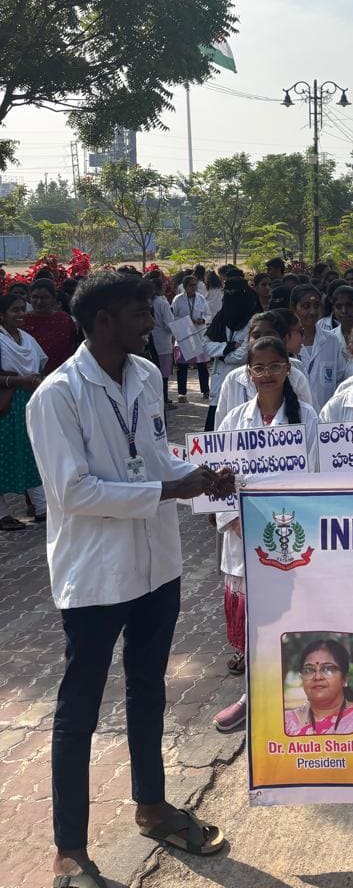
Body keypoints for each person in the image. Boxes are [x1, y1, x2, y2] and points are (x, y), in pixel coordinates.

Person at [24, 272, 234, 881]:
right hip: (97, 574)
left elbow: (154, 456)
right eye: (139, 312)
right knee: (80, 709)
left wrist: (200, 478)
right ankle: (69, 849)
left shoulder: (144, 375)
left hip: (157, 566)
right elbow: (73, 491)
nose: (151, 321)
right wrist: (170, 489)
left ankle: (151, 805)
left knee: (148, 687)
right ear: (102, 320)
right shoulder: (57, 396)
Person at [215, 336, 321, 731]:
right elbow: (217, 479)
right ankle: (251, 697)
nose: (267, 374)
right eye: (258, 367)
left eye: (275, 366)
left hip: (293, 538)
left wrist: (290, 523)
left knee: (295, 621)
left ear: (288, 369)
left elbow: (317, 478)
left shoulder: (306, 418)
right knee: (255, 626)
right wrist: (234, 519)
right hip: (242, 536)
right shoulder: (233, 420)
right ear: (248, 373)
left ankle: (298, 698)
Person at [215, 310, 314, 426]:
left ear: (283, 340)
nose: (262, 340)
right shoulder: (232, 379)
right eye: (256, 336)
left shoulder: (297, 379)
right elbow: (220, 430)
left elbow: (309, 424)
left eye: (269, 335)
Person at [0, 292, 48, 530]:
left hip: (29, 401)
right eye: (15, 310)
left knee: (32, 452)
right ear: (2, 315)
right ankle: (2, 515)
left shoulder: (26, 338)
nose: (21, 314)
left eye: (22, 309)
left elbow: (39, 365)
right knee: (3, 455)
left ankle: (42, 508)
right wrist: (19, 381)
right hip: (6, 405)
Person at [203, 278, 260, 431]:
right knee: (215, 432)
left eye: (233, 294)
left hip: (244, 382)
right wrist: (229, 347)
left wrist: (222, 355)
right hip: (219, 381)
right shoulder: (220, 319)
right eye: (226, 294)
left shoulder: (253, 321)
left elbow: (244, 354)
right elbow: (206, 345)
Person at [284, 637, 353, 736]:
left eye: (328, 669)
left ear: (345, 679)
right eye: (309, 670)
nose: (317, 677)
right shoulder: (286, 722)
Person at [291, 283, 346, 410]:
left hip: (326, 414)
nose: (312, 311)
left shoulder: (332, 340)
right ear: (294, 308)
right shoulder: (286, 343)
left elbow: (340, 379)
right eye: (305, 306)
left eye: (316, 306)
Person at [22, 279, 79, 374]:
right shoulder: (22, 321)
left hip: (62, 373)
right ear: (29, 298)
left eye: (45, 297)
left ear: (54, 299)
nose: (39, 302)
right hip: (30, 375)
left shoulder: (64, 319)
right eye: (35, 297)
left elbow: (73, 346)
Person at [171, 273, 209, 404]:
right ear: (185, 286)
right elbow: (172, 316)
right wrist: (186, 321)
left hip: (198, 333)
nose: (194, 288)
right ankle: (182, 393)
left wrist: (203, 320)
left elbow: (208, 314)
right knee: (182, 365)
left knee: (202, 364)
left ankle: (205, 390)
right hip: (184, 334)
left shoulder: (201, 299)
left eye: (195, 285)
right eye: (191, 285)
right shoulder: (178, 299)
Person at [148, 274, 176, 408]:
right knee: (163, 374)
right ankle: (164, 399)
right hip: (164, 341)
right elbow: (169, 324)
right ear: (160, 288)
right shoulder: (162, 303)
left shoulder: (149, 301)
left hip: (152, 339)